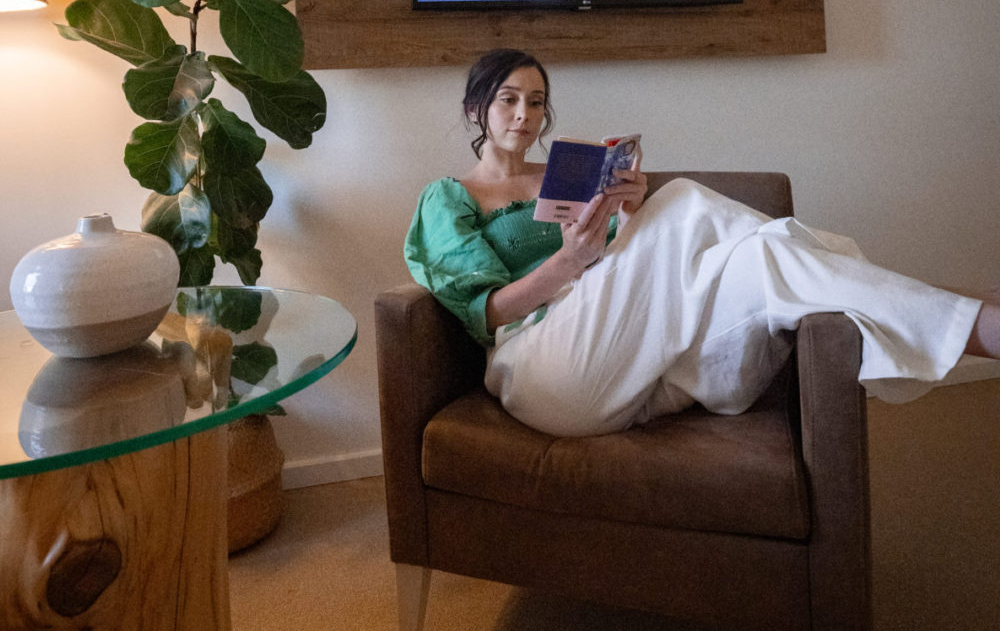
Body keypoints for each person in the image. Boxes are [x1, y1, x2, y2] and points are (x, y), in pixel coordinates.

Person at [404, 48, 999, 437]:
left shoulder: (569, 176)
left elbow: (635, 278)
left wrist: (629, 210)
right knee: (684, 199)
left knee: (763, 260)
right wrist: (569, 260)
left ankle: (972, 325)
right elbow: (483, 314)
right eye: (508, 98)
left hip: (633, 362)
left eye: (536, 101)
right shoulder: (451, 195)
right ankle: (952, 302)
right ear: (475, 108)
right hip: (542, 368)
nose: (524, 114)